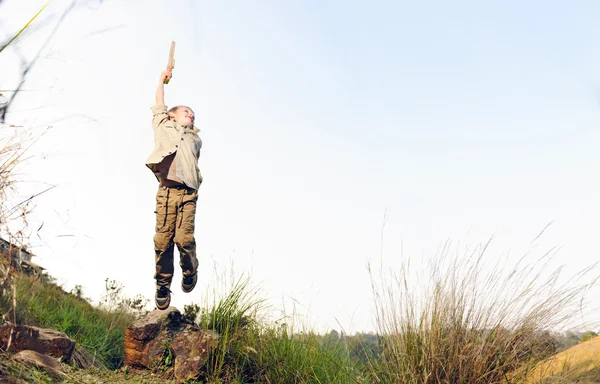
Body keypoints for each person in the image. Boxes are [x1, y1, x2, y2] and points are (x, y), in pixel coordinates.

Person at [145, 68, 203, 310]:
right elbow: (159, 102)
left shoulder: (194, 139)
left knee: (184, 239)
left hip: (187, 193)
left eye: (193, 114)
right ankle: (162, 284)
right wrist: (161, 79)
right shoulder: (163, 126)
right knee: (162, 242)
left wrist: (188, 128)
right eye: (185, 112)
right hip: (166, 194)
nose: (190, 115)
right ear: (171, 116)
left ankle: (190, 271)